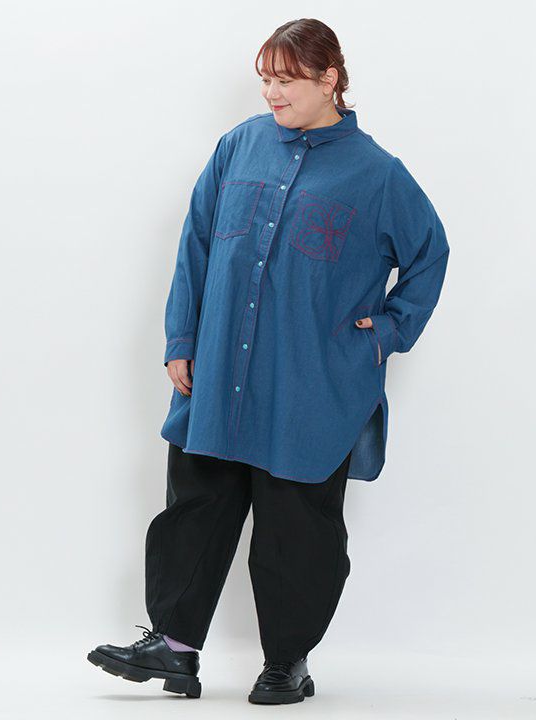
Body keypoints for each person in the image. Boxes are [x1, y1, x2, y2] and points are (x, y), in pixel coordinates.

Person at [87, 18, 450, 705]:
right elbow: (196, 242)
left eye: (286, 80)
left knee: (296, 525)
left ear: (329, 79)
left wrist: (386, 332)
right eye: (266, 80)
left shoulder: (378, 175)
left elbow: (430, 255)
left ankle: (287, 661)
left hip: (311, 381)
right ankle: (174, 648)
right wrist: (181, 339)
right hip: (221, 367)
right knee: (195, 500)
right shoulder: (239, 146)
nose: (271, 93)